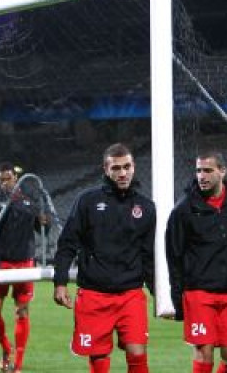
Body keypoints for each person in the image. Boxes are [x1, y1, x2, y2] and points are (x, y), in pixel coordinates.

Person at [53, 143, 155, 373]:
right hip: (94, 295)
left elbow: (148, 255)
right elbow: (68, 243)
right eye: (116, 168)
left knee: (137, 352)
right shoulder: (87, 201)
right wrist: (60, 282)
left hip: (130, 294)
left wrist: (160, 294)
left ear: (134, 167)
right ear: (105, 169)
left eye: (127, 167)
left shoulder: (146, 207)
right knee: (99, 358)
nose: (122, 173)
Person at [166, 151, 227, 373]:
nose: (202, 176)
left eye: (208, 170)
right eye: (198, 170)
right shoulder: (183, 209)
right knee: (204, 353)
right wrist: (177, 297)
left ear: (222, 172)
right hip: (199, 292)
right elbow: (174, 255)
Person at [0, 162, 50, 373]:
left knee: (22, 312)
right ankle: (6, 348)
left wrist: (45, 222)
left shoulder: (28, 202)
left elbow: (42, 230)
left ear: (15, 179)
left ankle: (18, 364)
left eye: (8, 178)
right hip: (1, 263)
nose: (4, 183)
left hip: (24, 261)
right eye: (1, 180)